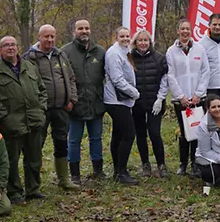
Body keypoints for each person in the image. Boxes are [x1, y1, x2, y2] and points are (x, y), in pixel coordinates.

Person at [0, 36, 47, 203]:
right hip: (11, 124)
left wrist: (41, 110)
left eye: (13, 45)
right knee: (11, 160)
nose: (10, 48)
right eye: (6, 45)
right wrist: (4, 117)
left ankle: (33, 189)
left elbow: (42, 90)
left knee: (34, 159)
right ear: (0, 50)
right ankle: (15, 192)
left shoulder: (30, 66)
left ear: (18, 47)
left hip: (34, 121)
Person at [23, 25, 79, 193]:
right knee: (35, 145)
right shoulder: (29, 58)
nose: (49, 40)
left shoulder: (60, 55)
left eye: (52, 37)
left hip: (61, 108)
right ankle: (33, 185)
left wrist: (72, 99)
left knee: (62, 143)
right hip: (40, 110)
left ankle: (64, 179)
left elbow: (70, 77)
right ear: (38, 37)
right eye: (46, 36)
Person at [61, 19, 107, 183]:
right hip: (75, 105)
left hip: (96, 103)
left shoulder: (100, 51)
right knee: (74, 140)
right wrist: (67, 100)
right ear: (74, 31)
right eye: (80, 28)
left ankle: (98, 170)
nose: (84, 31)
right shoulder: (65, 52)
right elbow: (62, 79)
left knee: (96, 138)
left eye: (87, 28)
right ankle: (74, 174)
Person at [162, 19, 210, 176]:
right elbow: (170, 75)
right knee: (184, 132)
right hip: (181, 100)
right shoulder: (171, 51)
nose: (185, 32)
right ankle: (183, 164)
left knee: (197, 131)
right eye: (182, 29)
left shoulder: (199, 49)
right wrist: (181, 96)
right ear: (178, 31)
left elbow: (205, 72)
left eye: (187, 29)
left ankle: (195, 163)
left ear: (191, 31)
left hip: (197, 99)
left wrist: (198, 94)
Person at [129, 30, 169, 178]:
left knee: (154, 132)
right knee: (140, 134)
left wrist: (160, 98)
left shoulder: (159, 58)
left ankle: (161, 164)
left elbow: (165, 80)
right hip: (137, 103)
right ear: (135, 42)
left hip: (155, 103)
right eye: (140, 40)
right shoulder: (130, 58)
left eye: (146, 40)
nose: (143, 43)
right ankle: (145, 164)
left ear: (150, 42)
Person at [103, 27, 140, 185]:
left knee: (118, 135)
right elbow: (117, 79)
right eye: (122, 36)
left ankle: (118, 171)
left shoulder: (125, 51)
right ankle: (122, 172)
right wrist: (134, 93)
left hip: (123, 100)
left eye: (127, 36)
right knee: (129, 135)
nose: (125, 38)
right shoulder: (113, 53)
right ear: (115, 37)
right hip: (115, 101)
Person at [195, 94, 220, 196]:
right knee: (211, 174)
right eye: (213, 107)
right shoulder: (203, 126)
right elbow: (205, 151)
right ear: (208, 109)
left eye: (219, 106)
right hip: (210, 155)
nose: (217, 109)